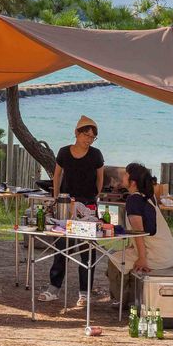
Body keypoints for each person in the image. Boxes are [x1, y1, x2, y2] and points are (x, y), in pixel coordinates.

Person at [38, 115, 105, 307]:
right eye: (86, 135)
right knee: (62, 247)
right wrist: (57, 198)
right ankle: (54, 287)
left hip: (88, 205)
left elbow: (100, 178)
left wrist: (94, 196)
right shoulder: (64, 152)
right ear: (77, 133)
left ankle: (84, 292)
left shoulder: (96, 154)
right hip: (66, 204)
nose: (89, 140)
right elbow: (57, 175)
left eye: (92, 137)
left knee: (87, 250)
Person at [106, 163, 173, 304]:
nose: (123, 176)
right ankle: (131, 296)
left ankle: (124, 301)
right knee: (124, 255)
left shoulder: (134, 200)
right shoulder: (148, 197)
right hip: (169, 253)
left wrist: (142, 258)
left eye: (126, 174)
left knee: (114, 260)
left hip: (157, 256)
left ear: (132, 181)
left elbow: (139, 233)